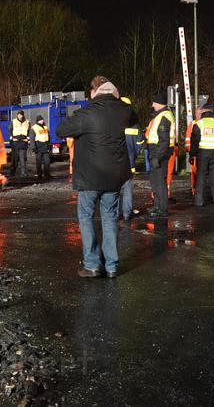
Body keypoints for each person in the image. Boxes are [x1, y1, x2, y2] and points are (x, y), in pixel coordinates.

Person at [57, 76, 134, 278]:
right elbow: (133, 117)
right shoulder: (123, 111)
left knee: (86, 217)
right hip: (114, 176)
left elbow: (61, 129)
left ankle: (92, 264)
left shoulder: (88, 113)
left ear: (94, 91)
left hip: (90, 176)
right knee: (109, 217)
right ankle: (111, 266)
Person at [144, 92, 176, 218]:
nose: (152, 105)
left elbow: (164, 140)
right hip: (157, 151)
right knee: (156, 181)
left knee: (160, 182)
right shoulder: (162, 116)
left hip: (159, 152)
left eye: (154, 103)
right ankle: (158, 206)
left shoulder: (164, 117)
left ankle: (161, 208)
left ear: (159, 104)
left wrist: (157, 156)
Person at [189, 103, 214, 206]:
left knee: (201, 176)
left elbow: (195, 141)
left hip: (203, 152)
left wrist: (192, 155)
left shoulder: (200, 124)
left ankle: (199, 200)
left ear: (203, 112)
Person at [119, 97, 142, 220]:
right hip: (129, 163)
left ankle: (115, 214)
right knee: (128, 188)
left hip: (115, 162)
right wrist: (134, 155)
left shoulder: (113, 122)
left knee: (115, 190)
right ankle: (127, 213)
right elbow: (140, 144)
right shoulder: (135, 125)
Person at [183, 108, 202, 197]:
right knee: (194, 173)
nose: (198, 115)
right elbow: (188, 138)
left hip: (203, 151)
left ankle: (199, 190)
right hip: (194, 152)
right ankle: (194, 190)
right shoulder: (193, 123)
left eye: (199, 113)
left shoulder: (203, 123)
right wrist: (189, 150)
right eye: (196, 113)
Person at [29, 115, 52, 180]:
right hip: (38, 145)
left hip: (45, 145)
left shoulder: (45, 127)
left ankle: (46, 174)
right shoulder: (34, 128)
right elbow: (32, 138)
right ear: (38, 121)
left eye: (42, 120)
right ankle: (40, 175)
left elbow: (48, 136)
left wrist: (49, 144)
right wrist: (33, 147)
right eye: (40, 120)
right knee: (38, 162)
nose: (42, 121)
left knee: (47, 161)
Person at [9, 110, 30, 178]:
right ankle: (12, 173)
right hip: (15, 141)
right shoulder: (14, 121)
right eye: (19, 114)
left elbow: (29, 131)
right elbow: (10, 130)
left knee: (23, 159)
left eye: (21, 115)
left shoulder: (27, 122)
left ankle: (23, 174)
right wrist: (12, 138)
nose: (20, 116)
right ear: (17, 115)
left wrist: (28, 139)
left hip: (23, 141)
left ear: (23, 115)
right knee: (14, 159)